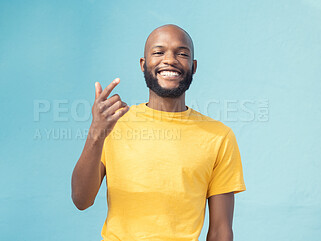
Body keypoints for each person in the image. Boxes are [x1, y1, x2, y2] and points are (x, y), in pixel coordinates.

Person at [71, 24, 246, 241]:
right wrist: (96, 134)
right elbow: (81, 200)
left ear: (193, 66)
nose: (170, 59)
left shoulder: (219, 136)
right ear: (143, 65)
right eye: (158, 52)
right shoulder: (113, 124)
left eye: (182, 53)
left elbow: (221, 230)